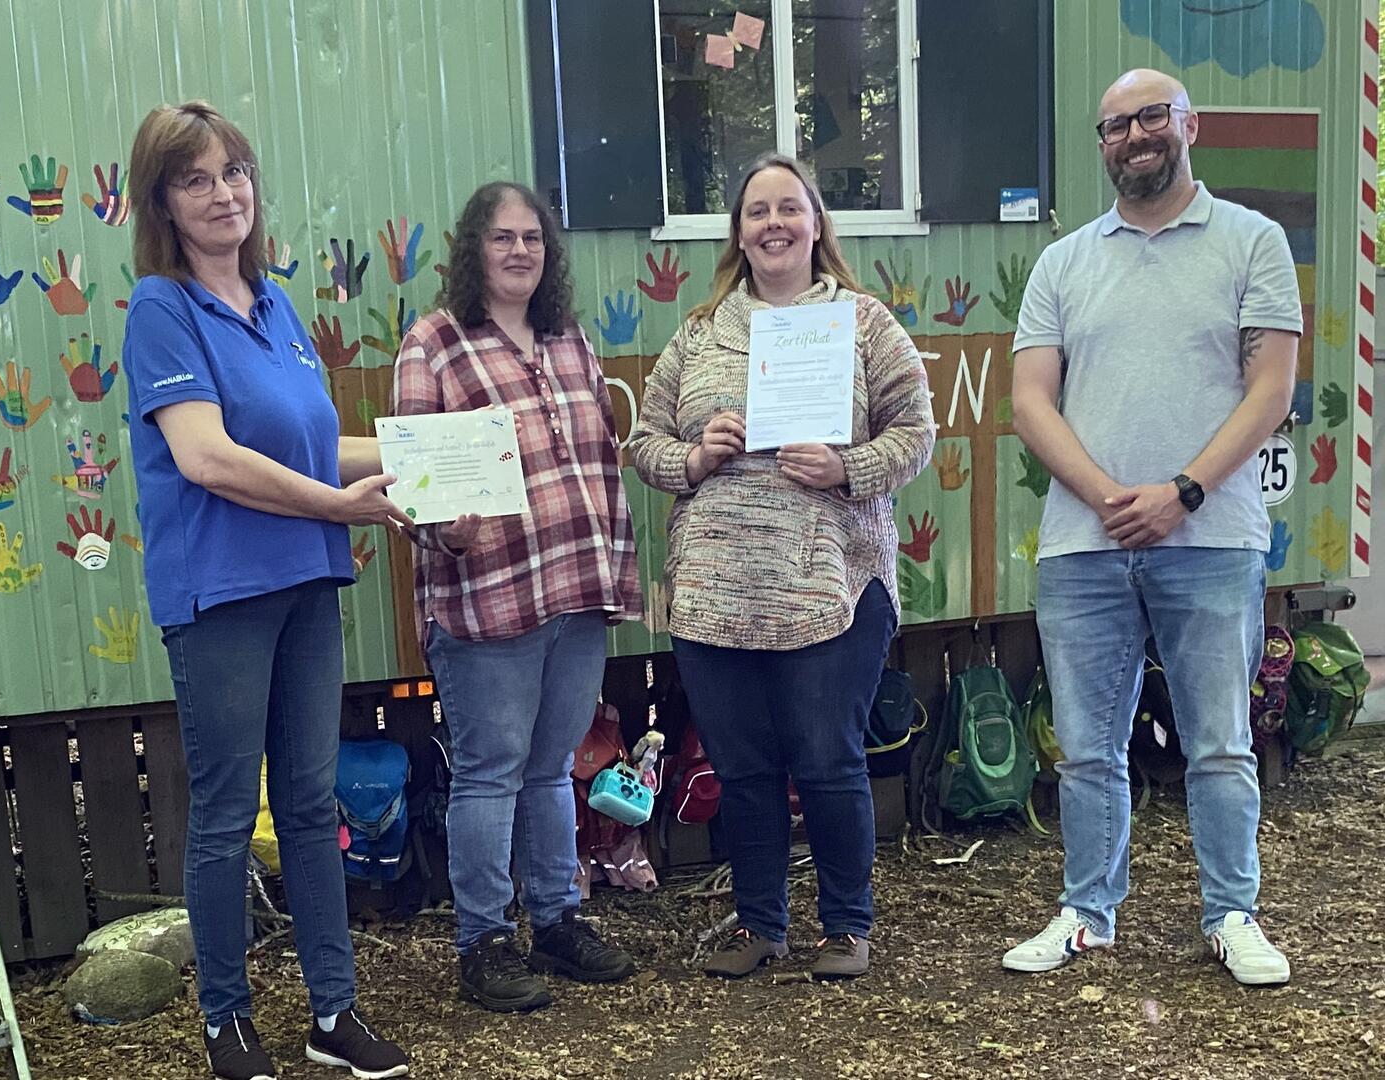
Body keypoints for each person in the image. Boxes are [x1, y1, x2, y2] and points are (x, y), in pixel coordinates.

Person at [122, 100, 411, 1080]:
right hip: (221, 594)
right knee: (220, 813)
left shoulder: (275, 305)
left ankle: (334, 1014)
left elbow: (313, 444)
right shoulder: (161, 310)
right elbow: (209, 458)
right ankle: (226, 1022)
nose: (222, 193)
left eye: (234, 171)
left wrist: (450, 448)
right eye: (195, 179)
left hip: (304, 582)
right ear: (163, 201)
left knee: (309, 799)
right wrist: (342, 504)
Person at [1003, 69, 1299, 986]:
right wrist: (1106, 496)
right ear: (1102, 145)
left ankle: (1232, 915)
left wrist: (1182, 492)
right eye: (1114, 125)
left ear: (1187, 125)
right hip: (1084, 546)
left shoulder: (1254, 241)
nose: (1133, 135)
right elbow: (1030, 402)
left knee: (1218, 742)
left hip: (1212, 537)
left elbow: (1272, 390)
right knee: (1087, 748)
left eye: (1150, 117)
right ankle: (1087, 912)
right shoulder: (1063, 262)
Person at [629, 152, 933, 981]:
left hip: (830, 584)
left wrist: (848, 470)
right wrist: (693, 458)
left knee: (827, 758)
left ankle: (846, 927)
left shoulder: (865, 325)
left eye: (788, 208)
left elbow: (916, 432)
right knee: (744, 768)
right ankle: (760, 924)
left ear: (815, 223)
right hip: (714, 591)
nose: (773, 224)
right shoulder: (699, 332)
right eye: (756, 210)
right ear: (738, 232)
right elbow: (643, 443)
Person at [392, 181, 644, 1012]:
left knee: (549, 769)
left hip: (576, 585)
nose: (519, 252)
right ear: (474, 249)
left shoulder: (566, 336)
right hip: (486, 597)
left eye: (533, 238)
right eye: (502, 238)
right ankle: (483, 940)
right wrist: (444, 531)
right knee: (491, 772)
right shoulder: (432, 343)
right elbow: (413, 478)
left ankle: (558, 918)